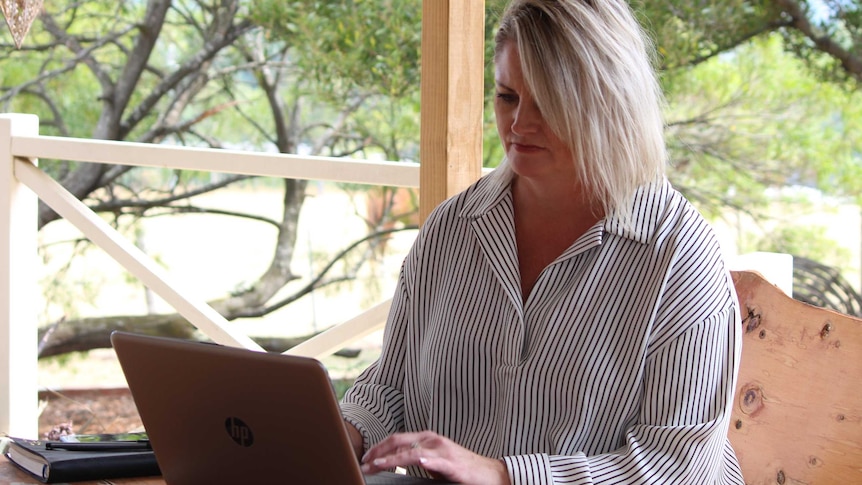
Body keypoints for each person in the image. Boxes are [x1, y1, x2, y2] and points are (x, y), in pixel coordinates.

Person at [340, 0, 744, 483]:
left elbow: (680, 467)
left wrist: (501, 475)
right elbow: (393, 383)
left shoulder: (677, 254)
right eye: (508, 96)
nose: (519, 125)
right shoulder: (453, 228)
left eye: (550, 103)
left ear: (611, 102)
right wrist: (347, 430)